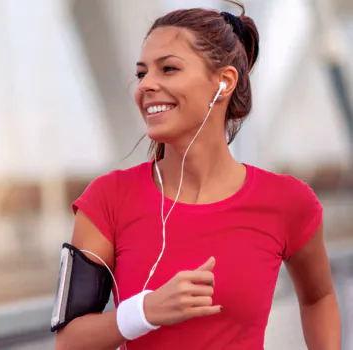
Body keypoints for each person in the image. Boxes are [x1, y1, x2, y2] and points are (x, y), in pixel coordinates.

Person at [52, 2, 342, 350]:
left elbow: (318, 298)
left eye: (168, 69)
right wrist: (144, 311)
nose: (146, 86)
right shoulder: (107, 199)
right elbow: (69, 342)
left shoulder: (289, 201)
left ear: (224, 82)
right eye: (143, 73)